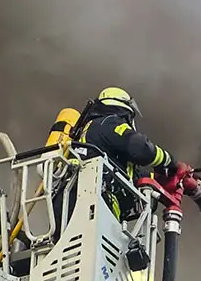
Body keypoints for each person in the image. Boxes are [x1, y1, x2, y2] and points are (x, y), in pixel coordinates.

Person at [72, 87, 188, 219]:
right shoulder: (109, 122)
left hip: (86, 205)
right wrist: (170, 161)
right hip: (97, 205)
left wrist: (158, 178)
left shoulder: (95, 131)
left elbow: (130, 174)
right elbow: (140, 148)